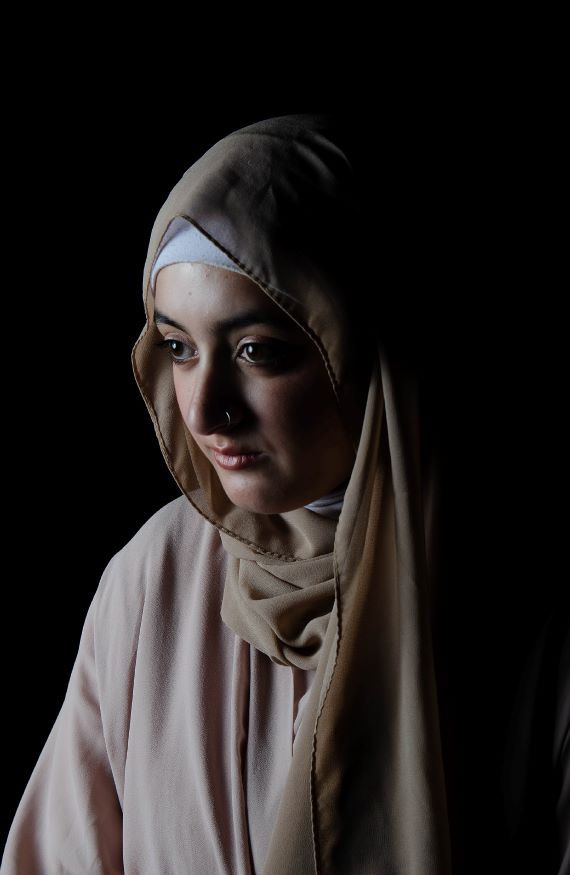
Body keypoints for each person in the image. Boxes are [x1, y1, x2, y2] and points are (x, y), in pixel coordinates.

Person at [2, 113, 568, 874]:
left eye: (257, 351)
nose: (205, 410)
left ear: (365, 349)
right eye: (177, 347)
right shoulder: (150, 582)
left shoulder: (521, 608)